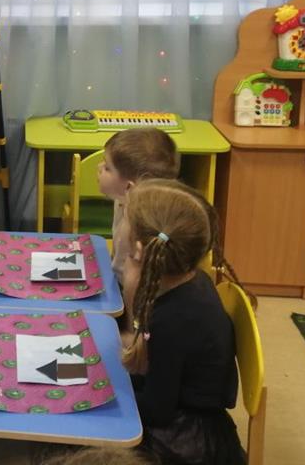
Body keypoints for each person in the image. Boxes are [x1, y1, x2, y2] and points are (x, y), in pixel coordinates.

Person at [120, 179, 245, 465]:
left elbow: (157, 410)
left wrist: (107, 396)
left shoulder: (173, 320)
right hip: (189, 417)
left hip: (189, 441)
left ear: (139, 251)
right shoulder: (193, 281)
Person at [98, 128, 180, 281]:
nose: (99, 167)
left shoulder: (134, 225)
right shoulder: (125, 200)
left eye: (107, 168)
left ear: (129, 187)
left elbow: (121, 276)